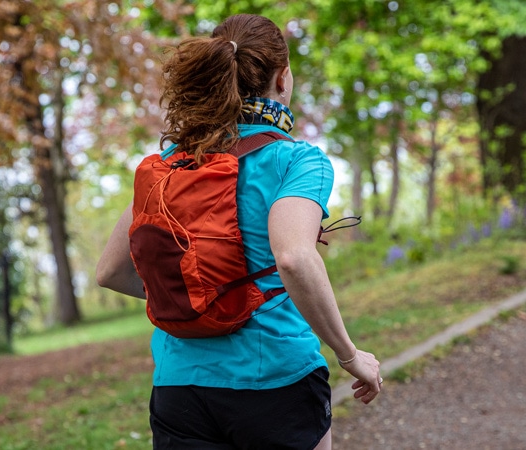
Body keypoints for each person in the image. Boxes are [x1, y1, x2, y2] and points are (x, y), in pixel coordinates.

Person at [96, 13, 381, 450]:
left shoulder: (172, 163)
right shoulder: (297, 161)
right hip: (276, 380)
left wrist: (197, 297)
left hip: (179, 387)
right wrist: (349, 354)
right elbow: (293, 257)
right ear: (282, 80)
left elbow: (111, 271)